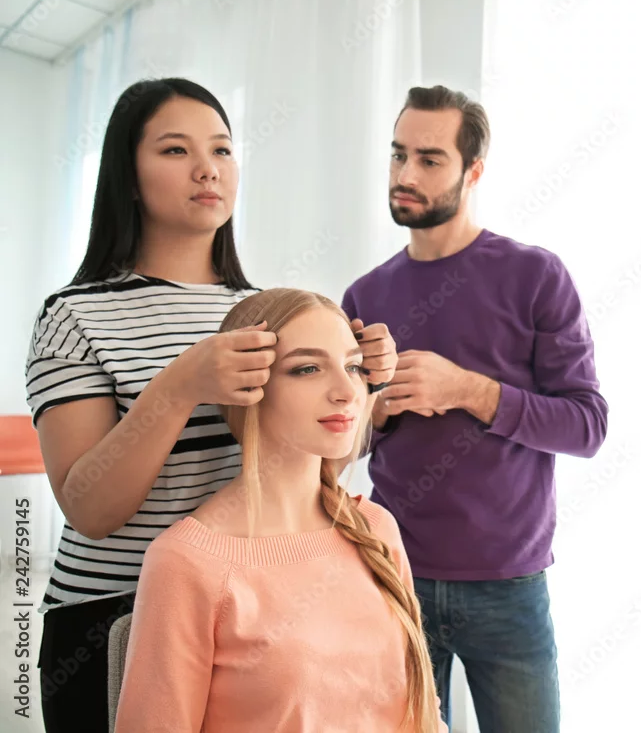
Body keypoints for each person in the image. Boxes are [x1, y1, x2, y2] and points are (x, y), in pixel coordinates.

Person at [25, 78, 396, 733]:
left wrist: (364, 387)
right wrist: (178, 387)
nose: (208, 168)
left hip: (252, 602)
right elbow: (90, 509)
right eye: (176, 150)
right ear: (127, 177)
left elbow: (313, 463)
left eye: (222, 149)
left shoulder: (267, 310)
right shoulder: (75, 316)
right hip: (111, 617)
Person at [341, 85, 609, 732]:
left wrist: (467, 389)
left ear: (474, 170)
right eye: (398, 154)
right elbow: (339, 445)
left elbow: (587, 425)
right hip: (393, 575)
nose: (405, 174)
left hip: (510, 587)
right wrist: (374, 411)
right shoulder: (363, 296)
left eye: (430, 159)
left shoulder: (536, 276)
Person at [114, 289, 446, 733]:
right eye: (307, 369)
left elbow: (421, 714)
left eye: (352, 367)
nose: (346, 392)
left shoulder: (376, 528)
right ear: (246, 389)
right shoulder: (187, 563)